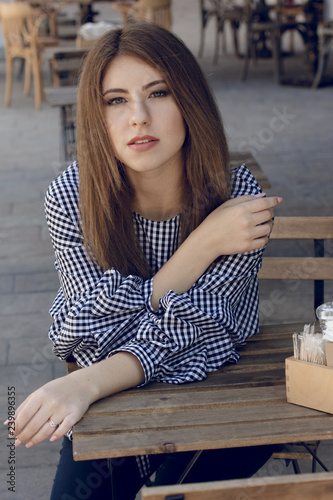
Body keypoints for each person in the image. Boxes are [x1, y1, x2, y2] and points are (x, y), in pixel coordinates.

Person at [7, 22, 282, 499]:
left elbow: (202, 331)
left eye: (158, 93)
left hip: (221, 392)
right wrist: (200, 248)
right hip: (116, 399)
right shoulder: (72, 197)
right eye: (116, 100)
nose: (138, 116)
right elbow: (83, 329)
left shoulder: (236, 197)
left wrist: (87, 382)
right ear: (96, 115)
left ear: (189, 101)